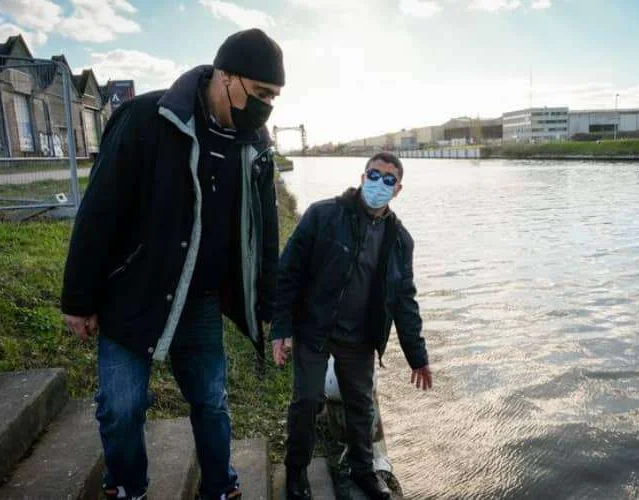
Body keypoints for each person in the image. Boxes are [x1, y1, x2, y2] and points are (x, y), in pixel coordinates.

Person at [60, 29, 284, 500]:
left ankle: (220, 487)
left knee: (211, 401)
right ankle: (127, 486)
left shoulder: (255, 144)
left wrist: (269, 301)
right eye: (261, 93)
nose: (266, 106)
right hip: (134, 294)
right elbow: (100, 210)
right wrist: (79, 299)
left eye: (274, 97)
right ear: (226, 76)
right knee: (120, 407)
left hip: (199, 301)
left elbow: (263, 231)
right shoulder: (149, 118)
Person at [270, 152, 433, 500]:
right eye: (374, 175)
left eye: (389, 179)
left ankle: (363, 471)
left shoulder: (400, 240)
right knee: (307, 400)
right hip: (314, 328)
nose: (380, 183)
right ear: (363, 177)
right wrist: (281, 327)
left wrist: (418, 357)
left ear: (398, 189)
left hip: (359, 338)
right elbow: (289, 273)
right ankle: (296, 471)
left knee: (361, 407)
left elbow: (404, 300)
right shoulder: (324, 215)